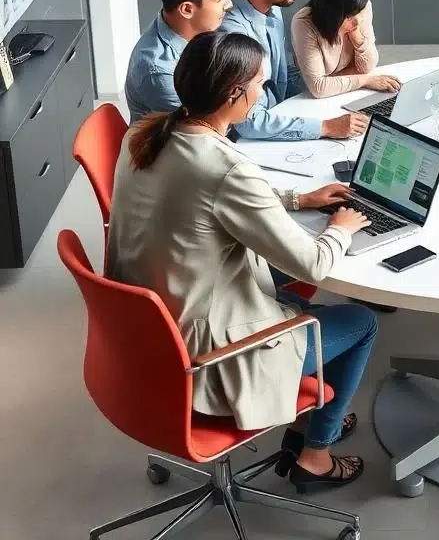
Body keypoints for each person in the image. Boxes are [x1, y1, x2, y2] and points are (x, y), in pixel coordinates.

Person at [107, 31, 378, 489]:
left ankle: (301, 419)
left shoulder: (146, 133)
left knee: (285, 294)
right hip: (210, 357)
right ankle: (315, 454)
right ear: (235, 93)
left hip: (152, 337)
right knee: (361, 322)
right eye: (260, 84)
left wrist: (298, 197)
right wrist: (340, 229)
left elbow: (206, 195)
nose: (263, 94)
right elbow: (310, 264)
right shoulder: (226, 168)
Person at [221, 0, 367, 141]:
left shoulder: (270, 7)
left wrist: (348, 81)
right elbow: (248, 122)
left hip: (278, 112)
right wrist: (325, 127)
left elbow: (278, 80)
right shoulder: (235, 36)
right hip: (250, 140)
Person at [124, 0, 232, 123]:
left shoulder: (182, 27)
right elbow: (200, 128)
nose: (229, 4)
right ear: (187, 10)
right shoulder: (160, 72)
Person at [291, 0, 400, 99]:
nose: (358, 22)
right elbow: (319, 88)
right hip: (309, 92)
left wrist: (357, 37)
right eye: (349, 17)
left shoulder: (362, 8)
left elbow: (367, 67)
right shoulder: (303, 22)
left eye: (359, 14)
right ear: (331, 15)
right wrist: (366, 81)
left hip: (343, 90)